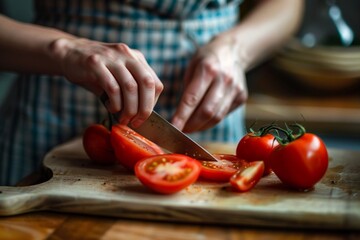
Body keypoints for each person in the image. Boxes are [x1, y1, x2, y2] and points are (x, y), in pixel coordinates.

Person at [0, 0, 304, 186]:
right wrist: (65, 49)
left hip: (214, 101)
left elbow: (287, 3)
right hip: (56, 100)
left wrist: (236, 50)